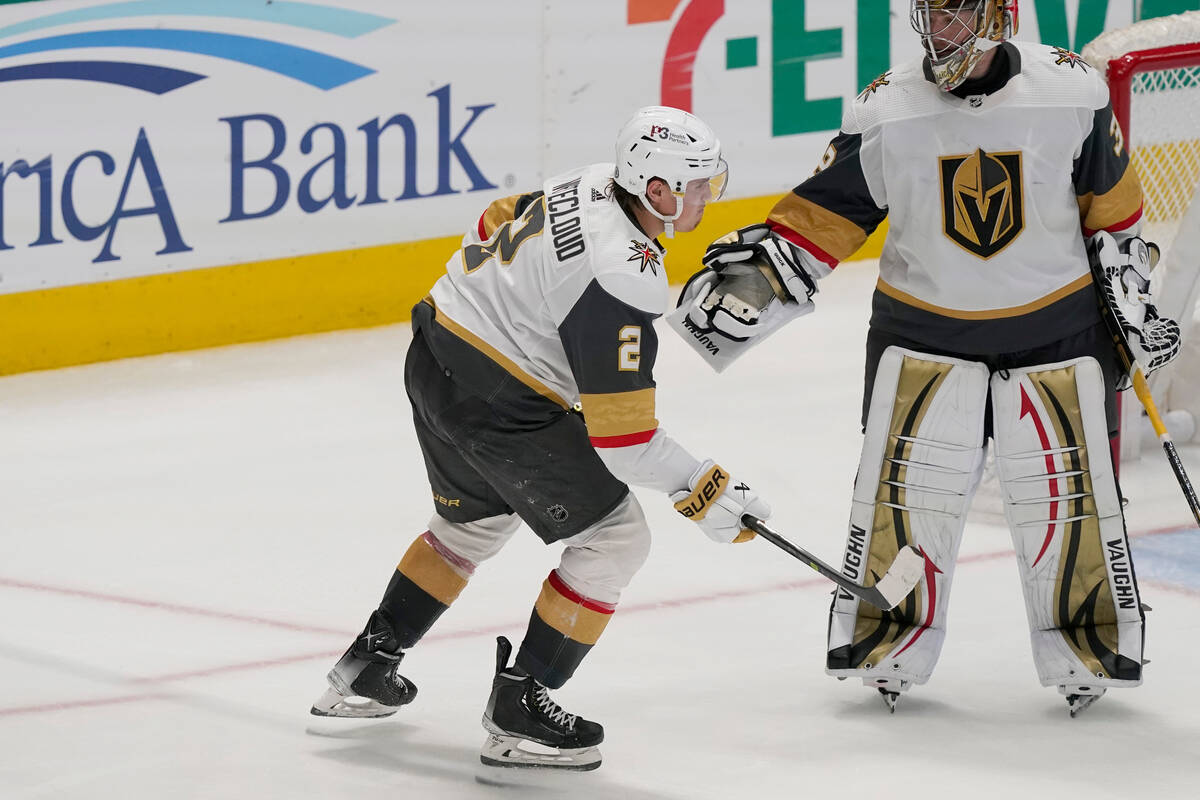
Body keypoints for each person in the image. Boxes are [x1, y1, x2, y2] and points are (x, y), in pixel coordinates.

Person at [671, 0, 1180, 716]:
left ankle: (1088, 648)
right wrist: (755, 282)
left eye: (955, 17)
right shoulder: (887, 111)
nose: (938, 32)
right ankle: (886, 641)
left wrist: (1132, 301)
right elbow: (823, 217)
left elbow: (1115, 214)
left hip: (1058, 333)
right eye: (931, 16)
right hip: (924, 335)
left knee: (1071, 504)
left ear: (999, 17)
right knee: (905, 502)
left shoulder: (1072, 90)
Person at [310, 105, 771, 770]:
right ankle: (521, 710)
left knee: (471, 525)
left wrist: (513, 316)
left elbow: (494, 219)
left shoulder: (587, 181)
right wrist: (700, 487)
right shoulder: (627, 268)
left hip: (434, 346)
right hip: (495, 401)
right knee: (617, 537)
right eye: (699, 184)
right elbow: (627, 439)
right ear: (659, 192)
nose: (708, 195)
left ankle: (364, 670)